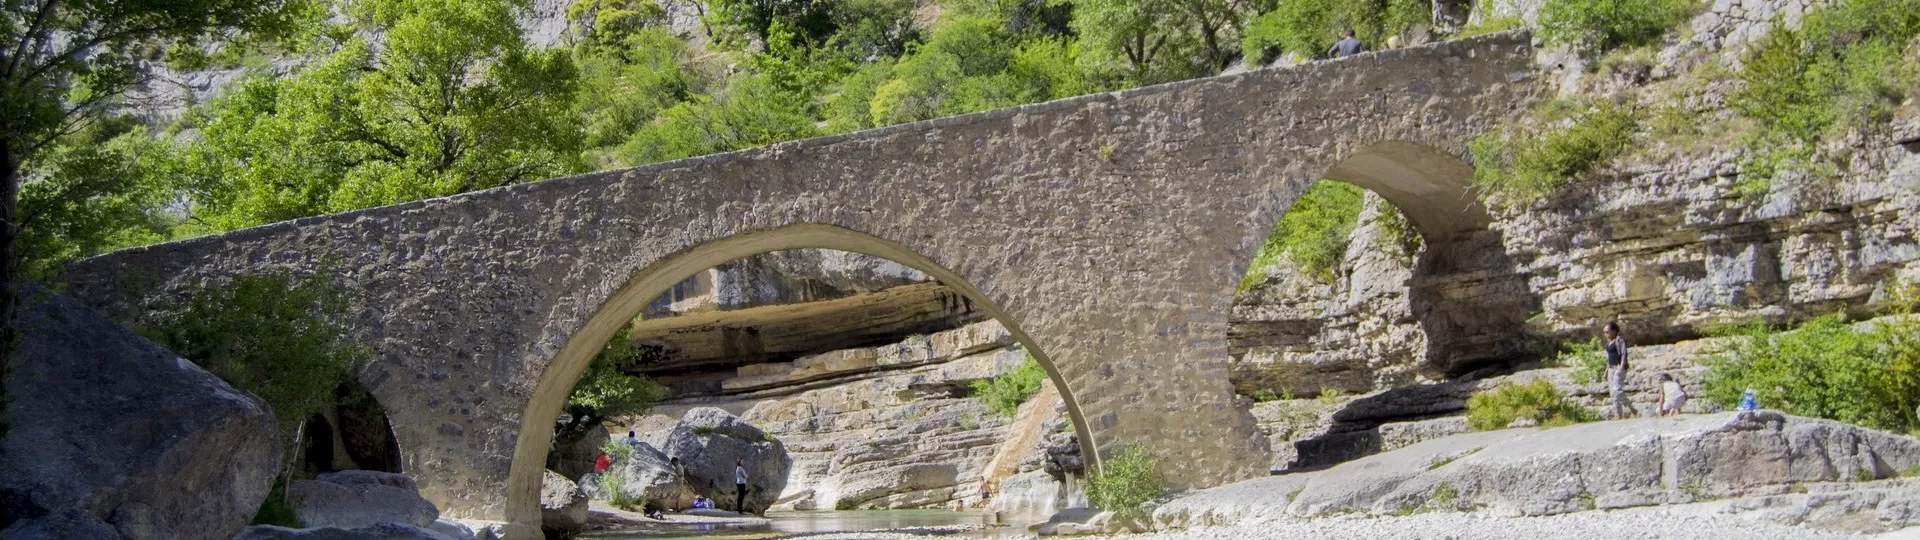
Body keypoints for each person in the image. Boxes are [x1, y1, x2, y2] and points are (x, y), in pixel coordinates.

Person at [1604, 321, 1639, 419]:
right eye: (1604, 332)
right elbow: (1609, 358)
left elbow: (1624, 354)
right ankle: (1618, 414)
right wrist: (1606, 371)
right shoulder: (1608, 343)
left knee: (1617, 390)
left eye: (1607, 332)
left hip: (1618, 368)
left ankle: (1632, 409)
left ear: (1614, 331)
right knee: (1612, 393)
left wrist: (1622, 366)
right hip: (1611, 369)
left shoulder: (1619, 341)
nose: (1606, 334)